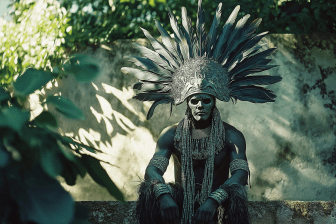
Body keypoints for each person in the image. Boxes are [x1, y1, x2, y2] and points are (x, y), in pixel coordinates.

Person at [121, 1, 282, 223]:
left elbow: (240, 175)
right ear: (186, 102)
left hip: (217, 207)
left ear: (214, 101)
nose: (200, 106)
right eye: (194, 100)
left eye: (206, 100)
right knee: (150, 194)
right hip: (179, 205)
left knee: (235, 199)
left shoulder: (231, 137)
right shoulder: (171, 135)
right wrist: (163, 193)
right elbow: (153, 169)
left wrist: (214, 199)